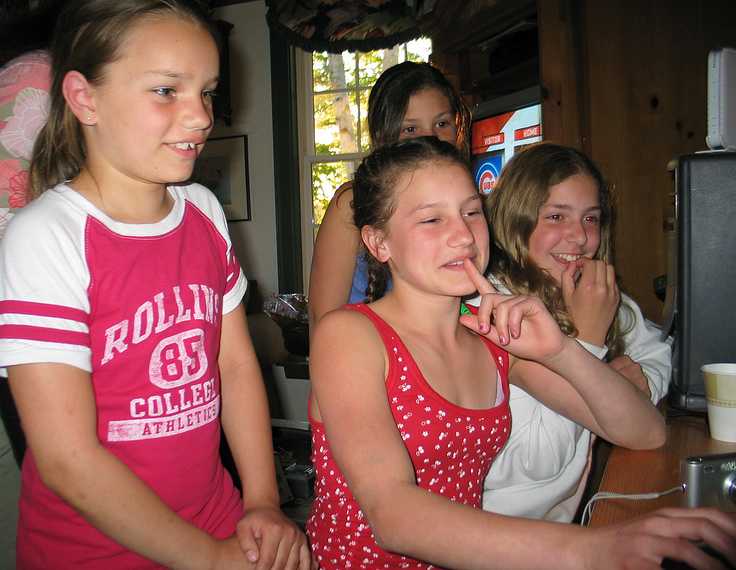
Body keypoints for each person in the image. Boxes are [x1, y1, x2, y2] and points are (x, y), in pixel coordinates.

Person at [305, 136, 735, 569]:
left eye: (472, 212)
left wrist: (561, 350)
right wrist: (590, 548)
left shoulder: (487, 337)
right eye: (432, 220)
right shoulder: (350, 335)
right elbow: (392, 515)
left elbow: (645, 432)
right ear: (379, 244)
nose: (463, 234)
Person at [0, 1, 313, 568]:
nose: (200, 116)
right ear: (84, 98)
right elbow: (68, 460)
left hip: (217, 512)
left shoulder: (203, 209)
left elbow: (236, 366)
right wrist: (212, 561)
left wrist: (262, 500)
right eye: (167, 90)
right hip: (94, 549)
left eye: (207, 92)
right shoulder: (44, 235)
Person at [477, 142, 672, 522]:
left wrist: (637, 385)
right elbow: (537, 461)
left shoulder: (590, 292)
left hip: (562, 532)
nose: (580, 238)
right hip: (501, 535)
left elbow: (660, 352)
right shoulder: (491, 307)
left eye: (590, 219)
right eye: (556, 217)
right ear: (516, 220)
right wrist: (588, 341)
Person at [307, 60, 470, 327]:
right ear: (383, 135)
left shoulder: (466, 202)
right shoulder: (352, 203)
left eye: (442, 123)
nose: (430, 138)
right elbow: (322, 318)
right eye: (410, 129)